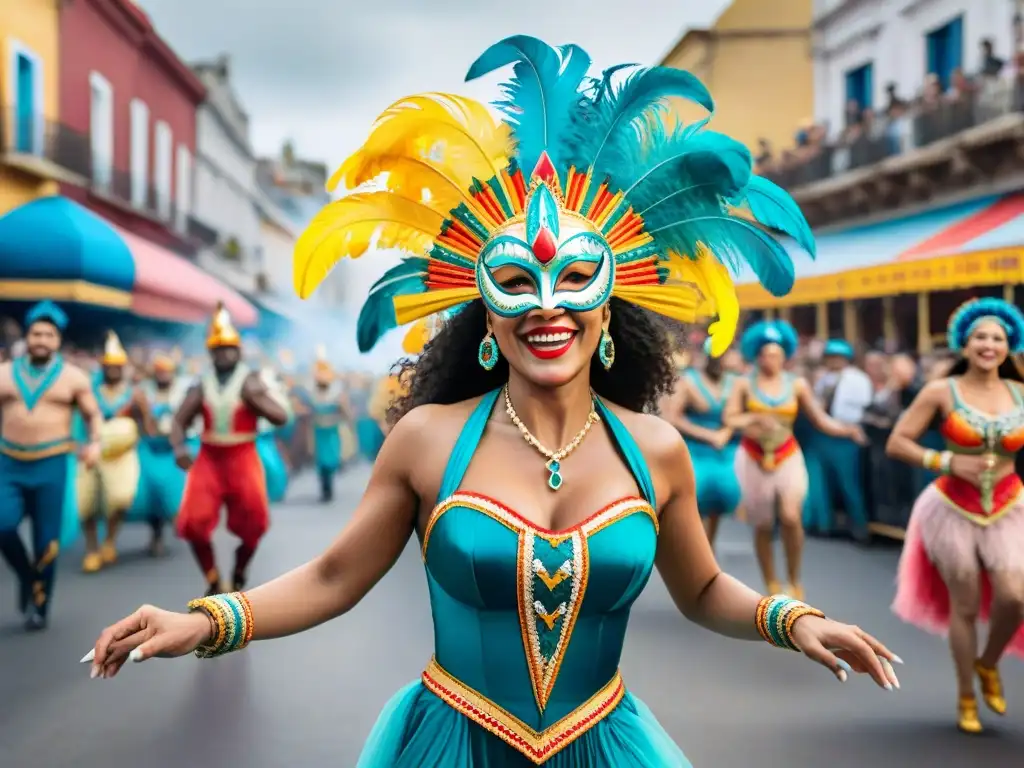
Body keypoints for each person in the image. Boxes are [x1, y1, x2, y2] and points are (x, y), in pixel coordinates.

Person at [84, 37, 900, 766]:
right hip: (451, 744)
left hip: (606, 743)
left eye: (575, 280)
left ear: (611, 308)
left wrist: (793, 621)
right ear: (483, 313)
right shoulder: (428, 441)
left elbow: (703, 589)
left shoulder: (657, 450)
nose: (548, 306)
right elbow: (336, 575)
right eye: (515, 284)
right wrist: (210, 621)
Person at [888, 298, 1024, 734]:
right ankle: (966, 694)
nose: (988, 344)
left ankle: (988, 663)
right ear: (964, 344)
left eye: (997, 338)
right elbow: (898, 442)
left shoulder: (1021, 392)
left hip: (1009, 504)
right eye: (980, 337)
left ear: (1010, 346)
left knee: (1015, 598)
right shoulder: (938, 392)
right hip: (950, 506)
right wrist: (945, 461)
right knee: (962, 607)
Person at [723, 321, 866, 599]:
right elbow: (730, 418)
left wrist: (847, 430)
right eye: (765, 354)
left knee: (790, 516)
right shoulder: (743, 384)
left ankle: (793, 579)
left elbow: (820, 419)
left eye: (776, 355)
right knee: (763, 523)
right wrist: (753, 418)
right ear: (756, 355)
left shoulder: (797, 384)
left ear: (785, 356)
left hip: (786, 454)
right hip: (754, 456)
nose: (771, 360)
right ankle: (771, 582)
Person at [170, 303, 289, 595]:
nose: (224, 354)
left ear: (238, 351)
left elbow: (281, 417)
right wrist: (179, 449)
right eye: (218, 349)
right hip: (209, 457)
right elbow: (178, 421)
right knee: (194, 521)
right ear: (211, 353)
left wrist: (255, 398)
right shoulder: (202, 384)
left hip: (243, 455)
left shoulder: (251, 380)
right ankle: (212, 578)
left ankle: (238, 572)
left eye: (229, 348)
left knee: (254, 521)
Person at [0, 301, 102, 630]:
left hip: (51, 465)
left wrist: (95, 442)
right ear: (27, 337)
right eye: (36, 333)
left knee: (47, 542)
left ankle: (40, 605)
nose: (41, 339)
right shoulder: (4, 374)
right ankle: (26, 575)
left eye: (48, 334)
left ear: (58, 340)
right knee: (3, 526)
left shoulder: (75, 378)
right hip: (9, 463)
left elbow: (92, 415)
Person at [78, 330, 154, 572]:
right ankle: (92, 549)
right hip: (92, 450)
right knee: (86, 503)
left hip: (122, 455)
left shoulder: (135, 394)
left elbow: (148, 428)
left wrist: (142, 418)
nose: (113, 369)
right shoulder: (88, 391)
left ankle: (109, 540)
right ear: (102, 366)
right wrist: (81, 444)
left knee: (119, 498)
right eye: (108, 365)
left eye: (117, 365)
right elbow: (79, 421)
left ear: (124, 367)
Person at [663, 338, 740, 547]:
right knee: (696, 499)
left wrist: (726, 431)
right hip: (695, 450)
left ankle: (709, 546)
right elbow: (673, 417)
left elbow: (739, 413)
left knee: (721, 500)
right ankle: (695, 548)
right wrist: (708, 435)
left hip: (724, 451)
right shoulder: (688, 381)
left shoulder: (735, 382)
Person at [806, 339, 873, 540]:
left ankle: (860, 525)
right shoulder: (824, 380)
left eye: (837, 357)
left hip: (846, 435)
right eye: (830, 357)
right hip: (822, 435)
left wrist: (851, 428)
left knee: (849, 483)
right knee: (821, 482)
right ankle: (824, 523)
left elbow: (863, 408)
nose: (833, 361)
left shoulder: (858, 379)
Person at [137, 352, 192, 556]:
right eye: (159, 372)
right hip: (151, 449)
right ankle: (156, 534)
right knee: (152, 494)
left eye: (166, 372)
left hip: (174, 449)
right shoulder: (143, 392)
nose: (163, 376)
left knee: (175, 491)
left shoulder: (183, 391)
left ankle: (179, 522)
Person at [308, 344, 352, 502]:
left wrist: (347, 419)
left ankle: (330, 484)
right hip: (319, 432)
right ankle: (325, 488)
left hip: (332, 431)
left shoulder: (336, 393)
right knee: (321, 463)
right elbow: (309, 411)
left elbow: (345, 411)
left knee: (331, 460)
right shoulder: (312, 393)